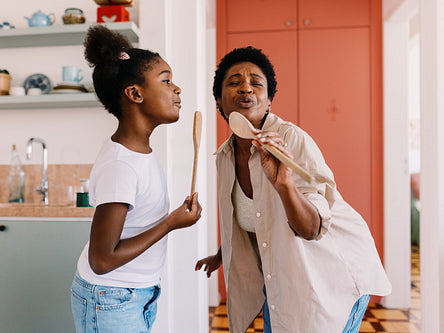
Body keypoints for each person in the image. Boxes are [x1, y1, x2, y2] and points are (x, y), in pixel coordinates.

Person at [195, 46, 391, 333]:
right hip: (288, 279)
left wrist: (284, 183)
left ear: (269, 100)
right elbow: (255, 217)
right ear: (219, 102)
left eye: (256, 83)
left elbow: (311, 228)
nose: (245, 88)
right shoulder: (225, 157)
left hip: (331, 274)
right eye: (234, 82)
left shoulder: (291, 140)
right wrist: (223, 254)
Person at [71, 25, 202, 333]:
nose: (177, 89)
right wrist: (170, 223)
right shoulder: (122, 165)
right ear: (134, 93)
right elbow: (102, 260)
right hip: (110, 298)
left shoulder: (138, 153)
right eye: (167, 81)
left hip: (130, 295)